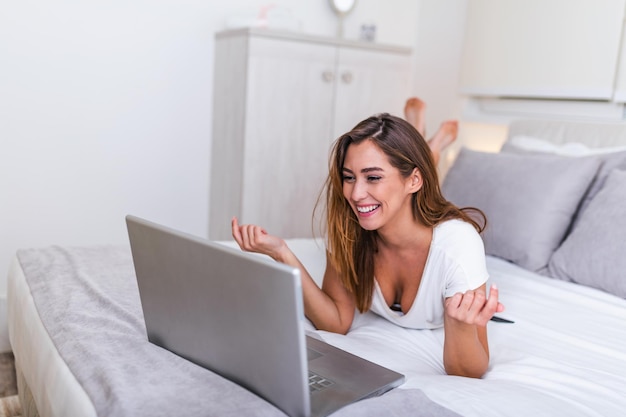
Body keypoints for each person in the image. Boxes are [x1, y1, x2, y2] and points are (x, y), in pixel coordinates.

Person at [231, 99, 504, 379]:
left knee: (420, 174)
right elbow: (336, 322)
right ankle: (421, 137)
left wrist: (459, 326)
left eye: (372, 177)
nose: (356, 193)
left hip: (425, 198)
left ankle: (430, 144)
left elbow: (468, 372)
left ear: (413, 180)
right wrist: (283, 254)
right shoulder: (350, 226)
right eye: (349, 177)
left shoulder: (457, 245)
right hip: (409, 184)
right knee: (400, 183)